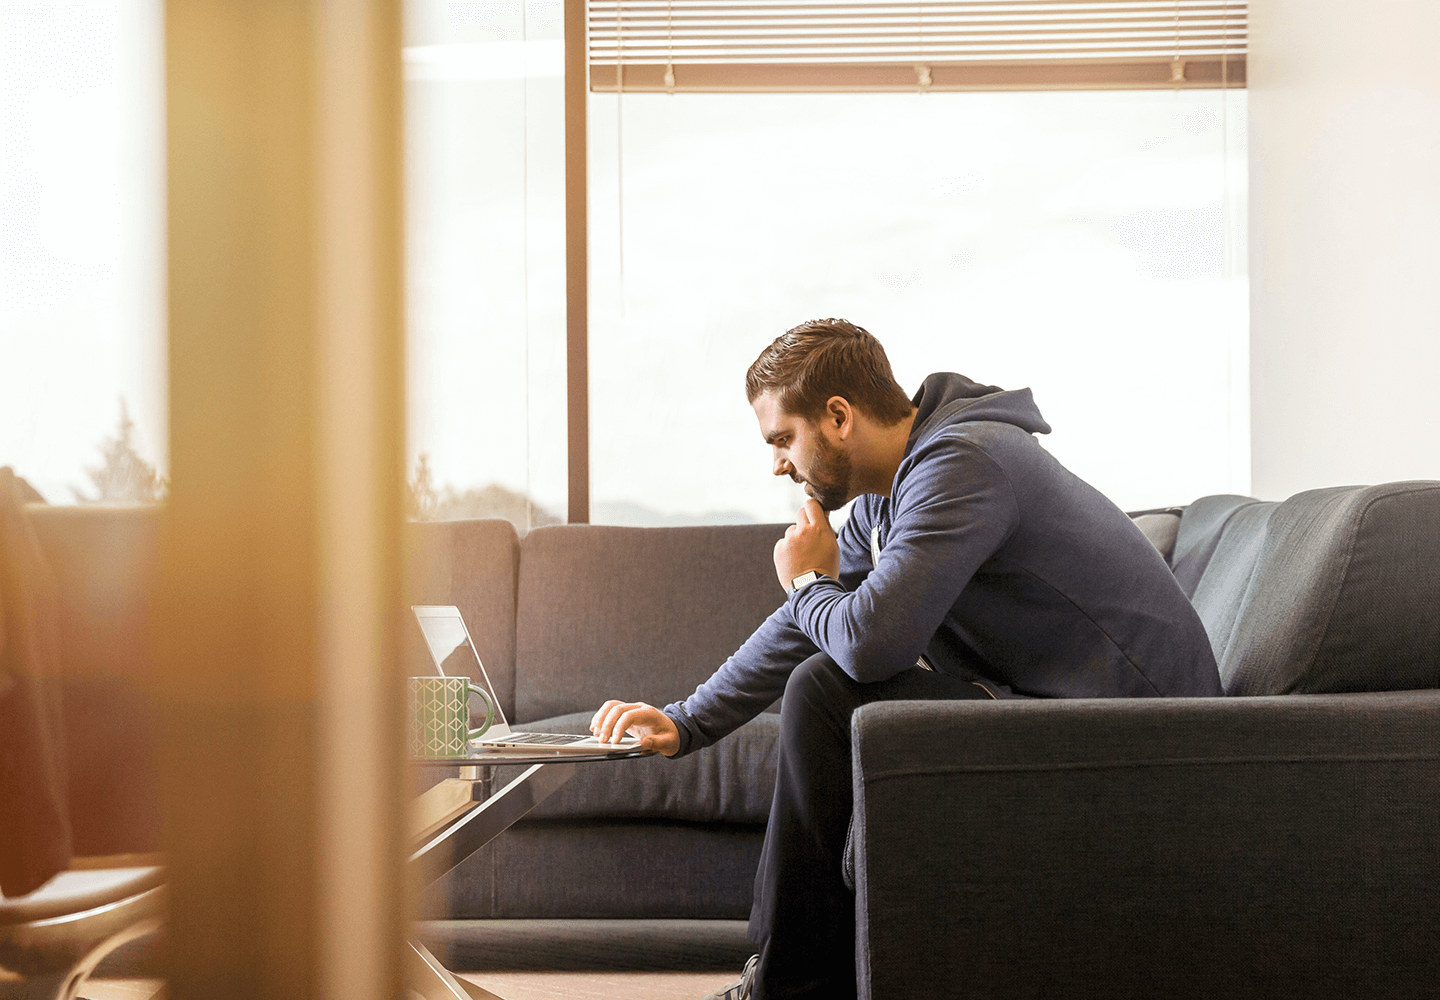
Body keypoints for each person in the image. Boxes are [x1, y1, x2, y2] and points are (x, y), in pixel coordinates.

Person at [590, 318, 1223, 1000]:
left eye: (782, 439)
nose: (778, 464)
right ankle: (789, 980)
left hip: (1147, 736)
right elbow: (802, 629)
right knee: (821, 680)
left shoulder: (964, 464)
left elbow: (867, 644)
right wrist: (686, 722)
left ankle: (787, 987)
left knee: (829, 692)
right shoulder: (890, 499)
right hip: (1057, 714)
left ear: (837, 416)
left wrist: (808, 582)